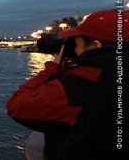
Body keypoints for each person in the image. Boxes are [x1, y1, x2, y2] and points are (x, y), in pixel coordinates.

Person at [7, 9, 128, 159]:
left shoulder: (79, 88)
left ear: (96, 46)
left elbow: (17, 106)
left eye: (76, 44)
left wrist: (55, 66)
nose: (74, 49)